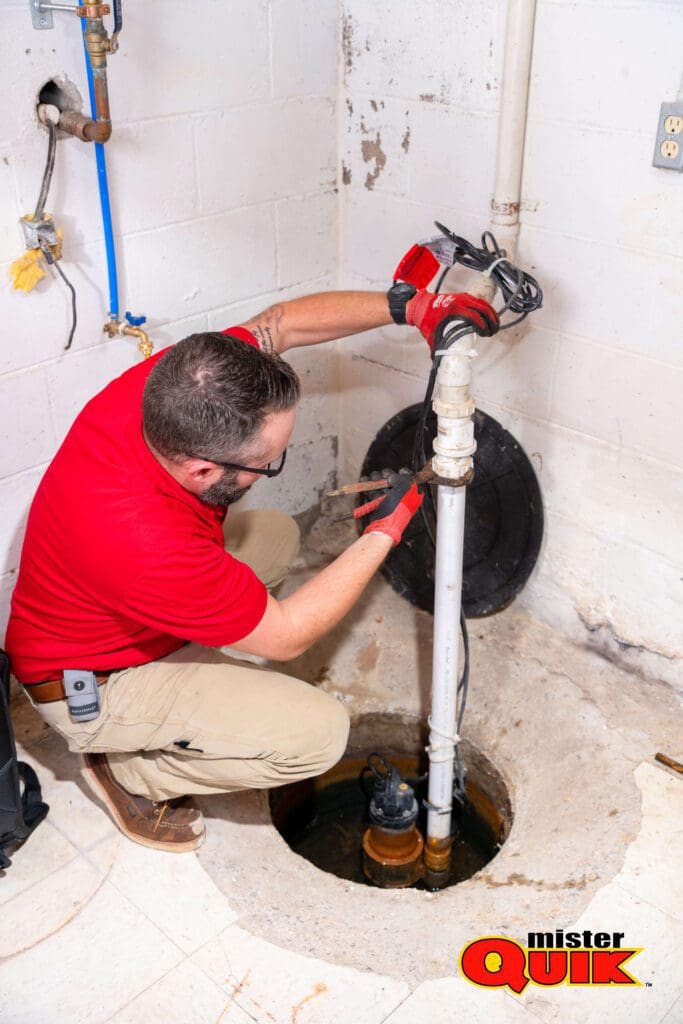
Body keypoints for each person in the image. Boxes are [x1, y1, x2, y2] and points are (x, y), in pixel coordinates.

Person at [6, 283, 498, 852]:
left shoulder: (177, 384)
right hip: (89, 685)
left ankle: (190, 671)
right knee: (318, 737)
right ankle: (132, 773)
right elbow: (286, 639)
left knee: (274, 535)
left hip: (110, 611)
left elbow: (280, 325)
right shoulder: (145, 542)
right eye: (267, 463)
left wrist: (411, 307)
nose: (272, 470)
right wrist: (384, 532)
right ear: (198, 469)